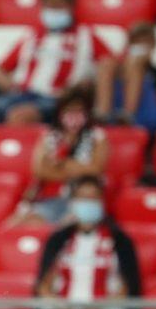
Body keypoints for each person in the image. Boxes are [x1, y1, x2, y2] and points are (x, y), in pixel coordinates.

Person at [0, 0, 115, 139]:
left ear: (71, 7)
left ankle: (13, 160)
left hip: (57, 98)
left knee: (20, 116)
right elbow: (0, 69)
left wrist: (86, 90)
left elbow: (109, 63)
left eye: (59, 4)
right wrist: (8, 84)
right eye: (49, 4)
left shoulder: (85, 36)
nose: (54, 8)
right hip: (22, 95)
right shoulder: (32, 36)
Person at [34, 176, 141, 303]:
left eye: (93, 198)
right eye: (83, 198)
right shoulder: (57, 240)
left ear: (102, 202)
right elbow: (43, 285)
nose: (88, 203)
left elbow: (129, 287)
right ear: (72, 202)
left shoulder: (120, 241)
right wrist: (61, 308)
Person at [13, 85, 109, 225]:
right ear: (60, 113)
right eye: (69, 111)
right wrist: (77, 169)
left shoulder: (97, 137)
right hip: (48, 199)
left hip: (80, 201)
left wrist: (61, 164)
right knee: (14, 226)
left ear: (87, 113)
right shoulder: (49, 136)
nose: (74, 115)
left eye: (79, 111)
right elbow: (39, 170)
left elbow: (96, 169)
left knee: (51, 226)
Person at [92, 21, 156, 133]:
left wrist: (143, 66)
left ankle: (128, 115)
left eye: (146, 42)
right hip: (113, 111)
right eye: (137, 42)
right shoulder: (114, 71)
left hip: (144, 116)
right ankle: (102, 116)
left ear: (154, 45)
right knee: (106, 63)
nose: (141, 46)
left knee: (133, 64)